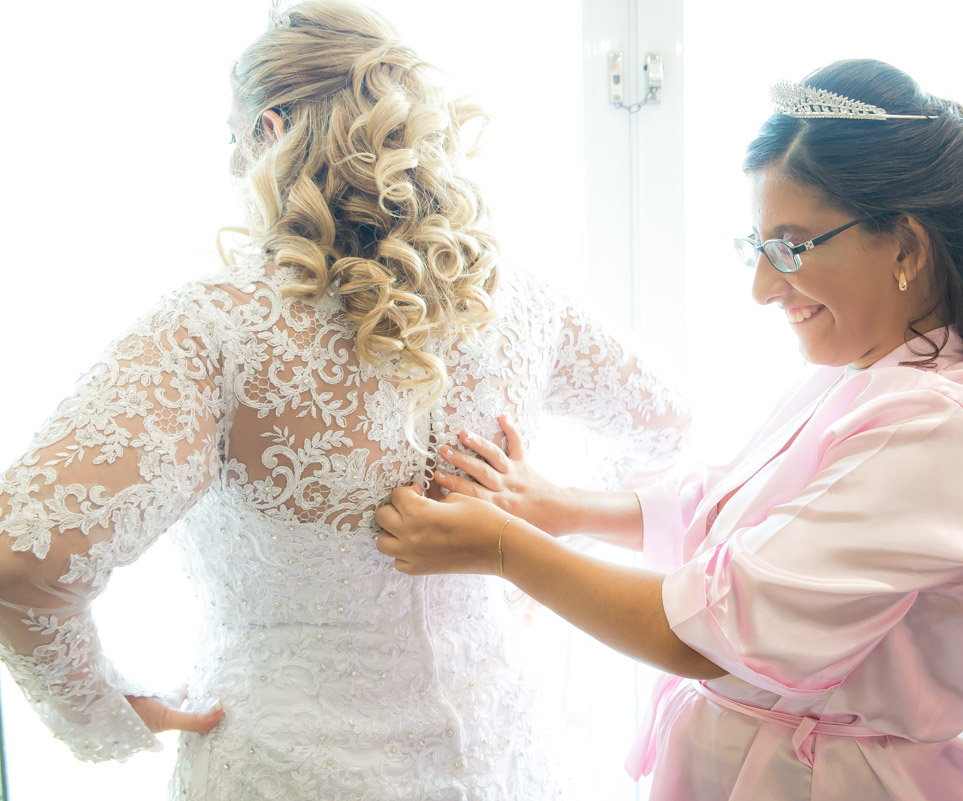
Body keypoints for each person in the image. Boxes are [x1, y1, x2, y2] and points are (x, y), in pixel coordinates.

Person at [0, 2, 689, 799]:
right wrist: (542, 545)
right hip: (508, 756)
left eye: (231, 139)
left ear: (268, 130)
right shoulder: (513, 297)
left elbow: (21, 559)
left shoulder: (217, 327)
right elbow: (664, 423)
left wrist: (104, 712)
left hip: (295, 766)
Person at [375, 58, 963, 800]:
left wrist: (503, 548)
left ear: (906, 246)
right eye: (757, 247)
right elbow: (723, 508)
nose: (761, 287)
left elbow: (714, 624)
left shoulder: (939, 426)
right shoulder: (864, 374)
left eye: (791, 246)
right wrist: (559, 507)